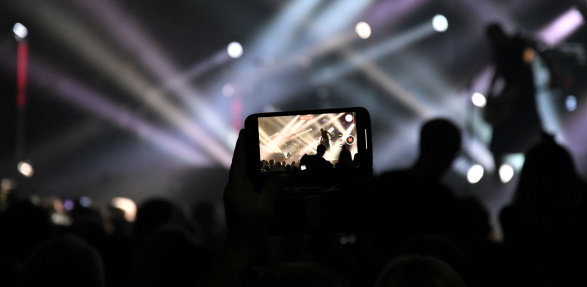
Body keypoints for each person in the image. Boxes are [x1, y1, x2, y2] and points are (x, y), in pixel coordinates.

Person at [483, 22, 550, 170]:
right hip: (513, 97)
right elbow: (498, 72)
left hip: (524, 94)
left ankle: (540, 167)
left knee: (531, 133)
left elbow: (540, 52)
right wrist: (491, 91)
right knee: (501, 141)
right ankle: (499, 179)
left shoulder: (519, 42)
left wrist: (553, 73)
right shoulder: (500, 51)